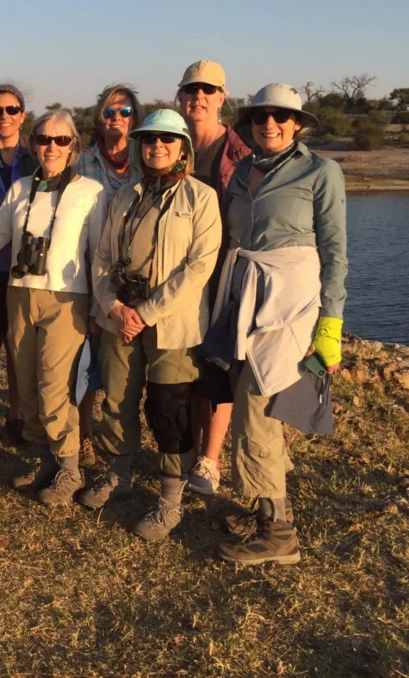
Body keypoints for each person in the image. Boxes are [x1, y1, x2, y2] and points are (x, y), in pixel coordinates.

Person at [212, 84, 347, 565]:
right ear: (249, 124)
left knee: (258, 405)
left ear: (297, 124)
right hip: (247, 297)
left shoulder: (320, 172)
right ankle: (267, 505)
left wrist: (330, 323)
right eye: (261, 117)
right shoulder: (243, 171)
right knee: (252, 397)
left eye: (281, 117)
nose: (270, 124)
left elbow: (334, 252)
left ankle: (280, 531)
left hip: (292, 303)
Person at [83, 109, 221, 541]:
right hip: (122, 319)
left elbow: (199, 268)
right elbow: (103, 258)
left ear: (183, 147)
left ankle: (170, 499)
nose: (156, 146)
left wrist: (147, 311)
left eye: (166, 139)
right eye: (149, 139)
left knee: (169, 407)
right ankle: (118, 474)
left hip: (171, 324)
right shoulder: (127, 195)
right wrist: (114, 307)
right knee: (118, 400)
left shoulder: (201, 198)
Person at [0, 111, 107, 506]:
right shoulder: (20, 189)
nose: (52, 147)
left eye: (61, 141)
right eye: (44, 139)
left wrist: (97, 308)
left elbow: (99, 255)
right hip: (19, 291)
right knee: (25, 381)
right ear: (33, 144)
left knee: (55, 384)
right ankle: (41, 456)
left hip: (67, 297)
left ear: (74, 147)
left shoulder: (90, 192)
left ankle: (69, 467)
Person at [173, 61, 252, 496]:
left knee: (220, 367)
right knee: (193, 371)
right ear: (181, 96)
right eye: (191, 90)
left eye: (208, 90)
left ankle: (210, 459)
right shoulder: (174, 145)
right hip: (182, 277)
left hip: (223, 276)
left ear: (222, 97)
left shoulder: (240, 154)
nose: (198, 97)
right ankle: (193, 450)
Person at [74, 84, 147, 464]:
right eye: (108, 112)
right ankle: (83, 435)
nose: (116, 119)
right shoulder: (81, 163)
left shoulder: (149, 160)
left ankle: (123, 443)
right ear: (98, 120)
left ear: (135, 118)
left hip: (137, 282)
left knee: (126, 371)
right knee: (86, 363)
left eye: (124, 112)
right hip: (89, 276)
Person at [0, 84, 37, 442]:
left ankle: (16, 412)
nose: (4, 117)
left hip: (24, 266)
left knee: (17, 347)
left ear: (22, 115)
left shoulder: (37, 155)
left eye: (11, 110)